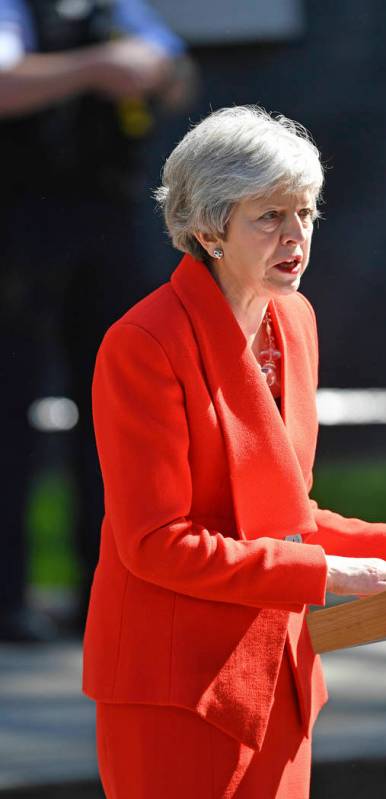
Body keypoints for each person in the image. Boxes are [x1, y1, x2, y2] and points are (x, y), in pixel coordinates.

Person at [82, 105, 386, 799]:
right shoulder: (143, 343)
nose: (295, 235)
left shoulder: (292, 321)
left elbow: (282, 513)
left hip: (279, 676)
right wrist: (326, 571)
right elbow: (155, 543)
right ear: (208, 229)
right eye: (268, 217)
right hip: (175, 689)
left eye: (304, 213)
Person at [0, 0, 197, 640]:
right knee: (10, 408)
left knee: (120, 408)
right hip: (20, 223)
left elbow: (178, 74)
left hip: (107, 220)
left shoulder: (115, 7)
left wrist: (155, 73)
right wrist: (93, 68)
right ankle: (7, 601)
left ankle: (108, 589)